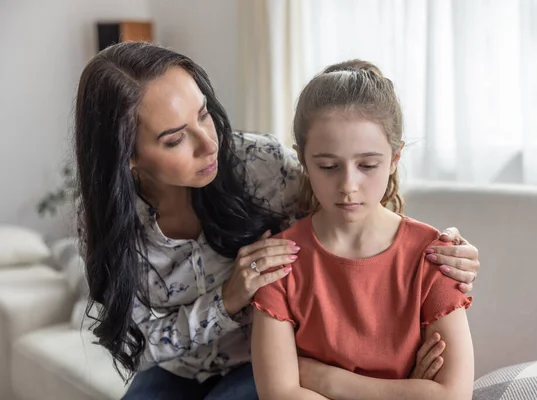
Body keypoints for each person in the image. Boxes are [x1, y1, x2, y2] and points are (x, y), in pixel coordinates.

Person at [74, 42, 480, 400]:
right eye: (175, 138)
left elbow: (353, 211)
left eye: (204, 114)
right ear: (127, 155)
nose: (208, 142)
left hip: (266, 359)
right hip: (179, 366)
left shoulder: (261, 165)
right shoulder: (110, 223)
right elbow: (136, 343)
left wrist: (443, 254)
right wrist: (227, 300)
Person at [251, 60, 474, 400]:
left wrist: (325, 381)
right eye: (328, 166)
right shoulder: (281, 263)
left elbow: (452, 395)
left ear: (395, 158)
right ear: (303, 160)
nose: (348, 185)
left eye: (368, 165)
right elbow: (279, 395)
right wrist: (406, 392)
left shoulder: (433, 256)